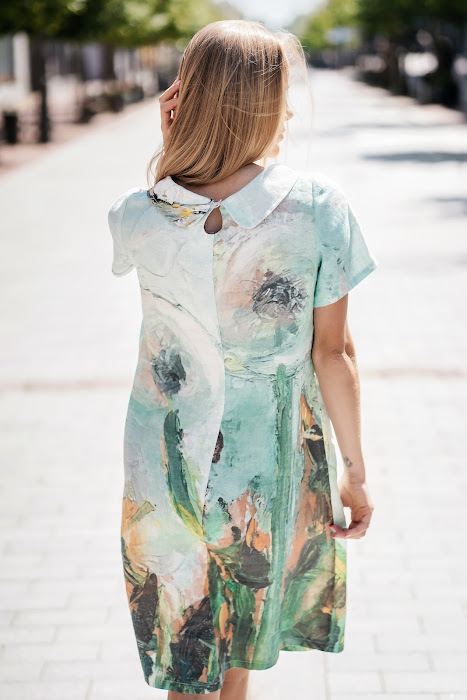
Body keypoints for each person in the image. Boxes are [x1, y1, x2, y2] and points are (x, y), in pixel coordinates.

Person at [108, 19, 378, 700]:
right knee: (234, 656)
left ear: (186, 95)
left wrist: (173, 159)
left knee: (185, 649)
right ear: (271, 101)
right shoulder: (317, 207)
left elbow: (179, 211)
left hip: (164, 462)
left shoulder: (136, 213)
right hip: (263, 463)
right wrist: (354, 474)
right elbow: (333, 353)